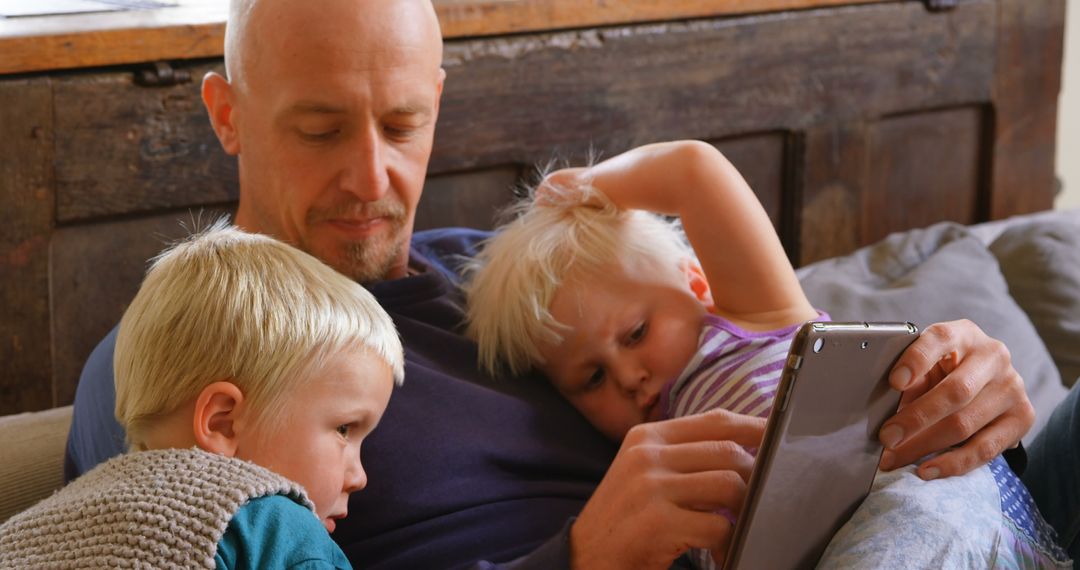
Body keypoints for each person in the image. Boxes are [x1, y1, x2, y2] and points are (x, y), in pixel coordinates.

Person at [62, 0, 1060, 568]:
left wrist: (949, 378)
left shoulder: (515, 279)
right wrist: (575, 560)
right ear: (227, 114)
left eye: (403, 125)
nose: (373, 179)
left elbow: (754, 335)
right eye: (319, 129)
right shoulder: (179, 355)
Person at [463, 140, 1070, 569]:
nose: (627, 375)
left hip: (925, 501)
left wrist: (589, 187)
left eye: (635, 333)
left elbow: (696, 170)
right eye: (591, 376)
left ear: (696, 283)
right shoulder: (641, 467)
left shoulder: (754, 318)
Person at [4, 224, 404, 567]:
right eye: (344, 429)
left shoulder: (44, 521)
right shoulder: (274, 527)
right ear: (222, 421)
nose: (359, 475)